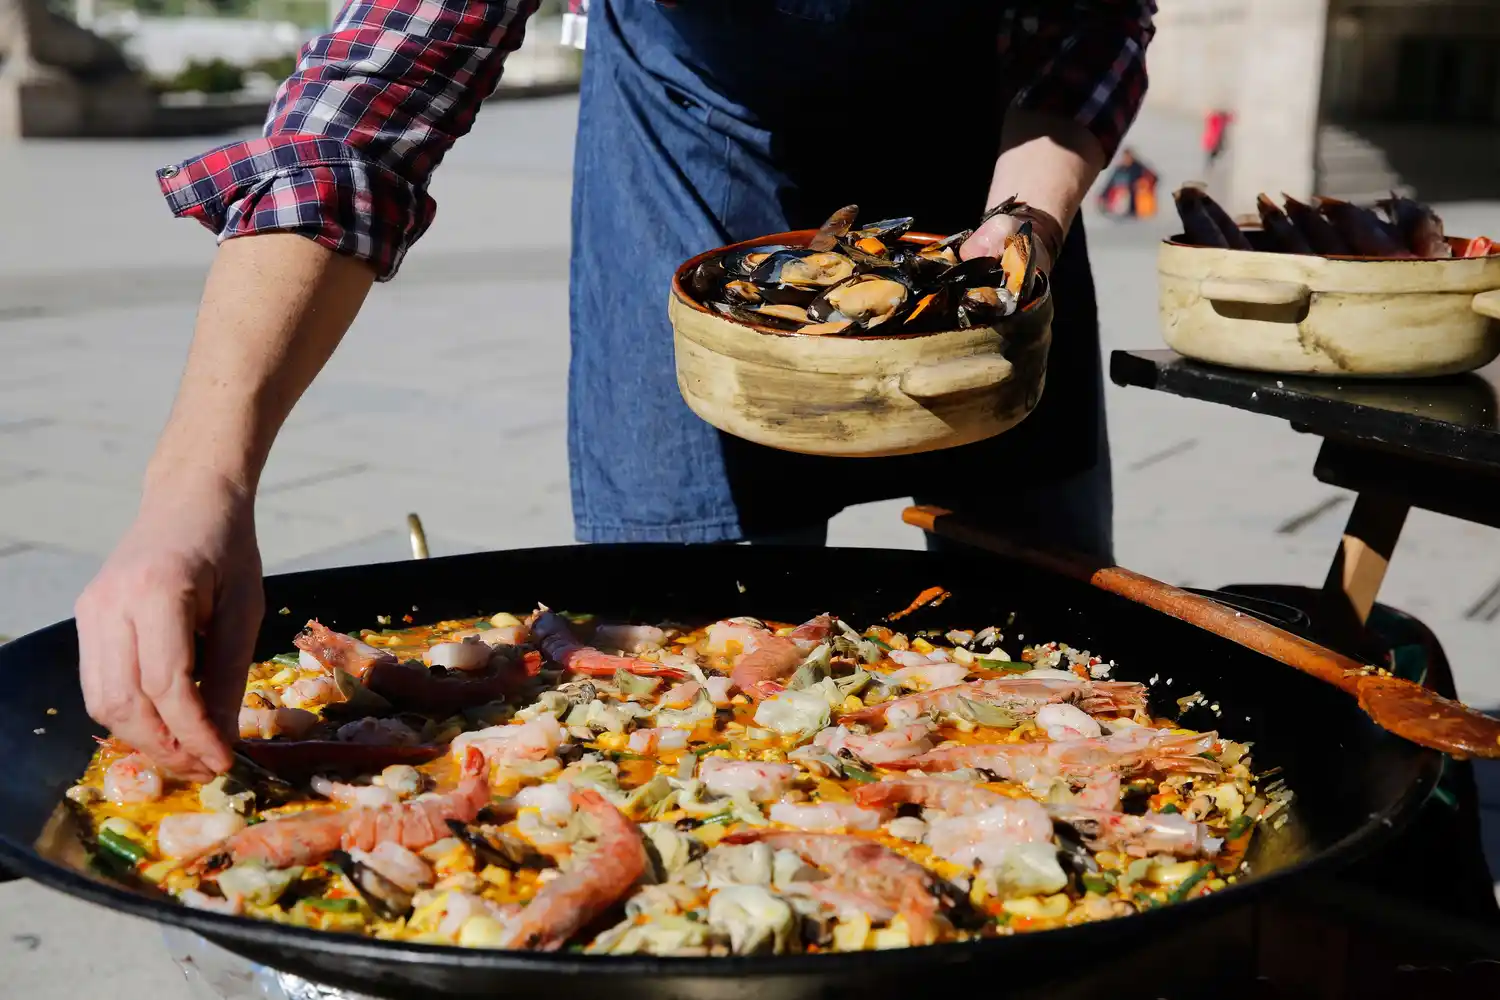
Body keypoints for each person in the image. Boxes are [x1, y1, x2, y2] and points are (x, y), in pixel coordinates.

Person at [74, 1, 1158, 780]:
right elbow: (364, 112)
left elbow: (1091, 24)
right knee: (690, 693)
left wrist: (1022, 227)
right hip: (692, 162)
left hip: (989, 181)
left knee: (1059, 648)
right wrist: (194, 485)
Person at [1095, 147, 1158, 219]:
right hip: (1121, 201)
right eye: (1125, 157)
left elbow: (1155, 178)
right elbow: (1109, 183)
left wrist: (1143, 184)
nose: (1127, 159)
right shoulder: (1120, 169)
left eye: (1128, 157)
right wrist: (1103, 196)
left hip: (1137, 203)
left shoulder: (1139, 168)